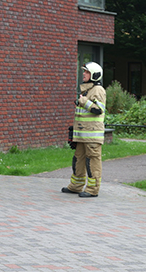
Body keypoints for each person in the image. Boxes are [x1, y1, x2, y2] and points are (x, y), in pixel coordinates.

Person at [61, 62, 106, 198]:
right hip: (82, 134)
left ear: (94, 75)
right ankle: (76, 186)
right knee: (78, 159)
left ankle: (93, 190)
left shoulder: (98, 90)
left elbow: (98, 109)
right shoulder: (87, 90)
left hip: (92, 136)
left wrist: (83, 101)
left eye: (86, 72)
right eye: (84, 72)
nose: (84, 74)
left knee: (92, 161)